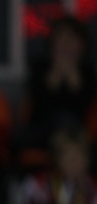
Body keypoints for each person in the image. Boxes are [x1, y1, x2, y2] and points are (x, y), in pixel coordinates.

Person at [14, 127, 97, 204]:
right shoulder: (37, 185)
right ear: (57, 159)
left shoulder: (93, 188)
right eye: (68, 156)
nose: (74, 161)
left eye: (79, 155)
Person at [24, 16, 95, 150]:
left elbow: (85, 106)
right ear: (52, 43)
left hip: (76, 129)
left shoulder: (87, 71)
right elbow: (39, 104)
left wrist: (74, 77)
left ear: (83, 45)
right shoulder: (40, 66)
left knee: (69, 124)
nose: (66, 44)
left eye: (72, 38)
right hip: (41, 130)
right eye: (61, 38)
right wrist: (55, 74)